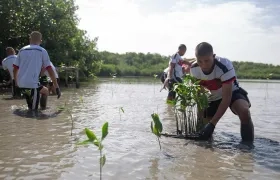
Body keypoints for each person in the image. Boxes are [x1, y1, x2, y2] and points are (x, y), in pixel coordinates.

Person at [190, 42, 254, 142]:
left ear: (213, 56)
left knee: (244, 111)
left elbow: (226, 99)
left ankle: (248, 147)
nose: (203, 65)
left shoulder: (224, 66)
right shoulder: (194, 69)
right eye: (200, 61)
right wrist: (201, 118)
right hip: (212, 97)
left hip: (232, 93)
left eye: (207, 60)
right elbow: (200, 96)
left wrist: (212, 124)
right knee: (204, 127)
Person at [13, 31, 61, 110]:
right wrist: (56, 87)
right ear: (41, 41)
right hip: (32, 84)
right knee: (33, 111)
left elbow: (15, 68)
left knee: (45, 91)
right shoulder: (42, 51)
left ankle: (42, 108)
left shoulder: (22, 50)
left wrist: (16, 81)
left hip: (21, 83)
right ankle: (38, 114)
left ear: (30, 39)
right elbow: (49, 69)